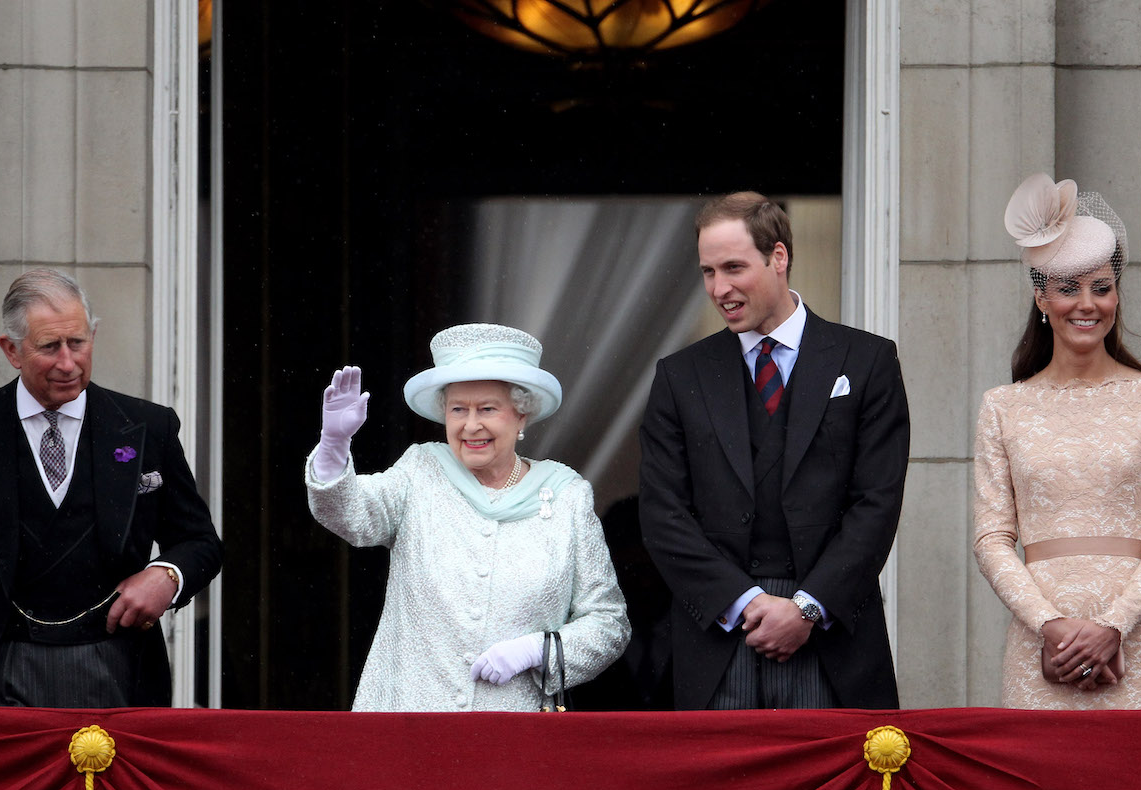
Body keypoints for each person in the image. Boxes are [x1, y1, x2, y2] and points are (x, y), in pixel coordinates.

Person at [638, 191, 910, 711]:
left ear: (778, 257)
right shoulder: (679, 376)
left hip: (833, 637)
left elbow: (877, 502)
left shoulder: (868, 360)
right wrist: (744, 602)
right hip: (719, 636)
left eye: (734, 267)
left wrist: (806, 609)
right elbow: (662, 512)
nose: (720, 288)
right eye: (708, 272)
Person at [0, 269, 222, 708]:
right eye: (49, 347)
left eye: (78, 343)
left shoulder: (147, 427)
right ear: (11, 350)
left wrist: (167, 575)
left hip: (120, 669)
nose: (68, 363)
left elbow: (200, 541)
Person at [306, 323, 630, 711]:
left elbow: (609, 624)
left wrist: (538, 650)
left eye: (488, 409)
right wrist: (333, 446)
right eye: (458, 409)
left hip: (511, 734)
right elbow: (353, 515)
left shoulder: (567, 498)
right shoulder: (419, 473)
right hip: (408, 723)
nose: (471, 425)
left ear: (521, 415)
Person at [974, 174, 1141, 709]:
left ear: (1116, 293)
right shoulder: (1003, 405)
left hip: (1136, 640)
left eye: (1101, 287)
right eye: (1069, 287)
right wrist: (1048, 624)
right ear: (1041, 297)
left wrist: (1114, 625)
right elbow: (992, 537)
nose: (1087, 304)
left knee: (1137, 788)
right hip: (1037, 643)